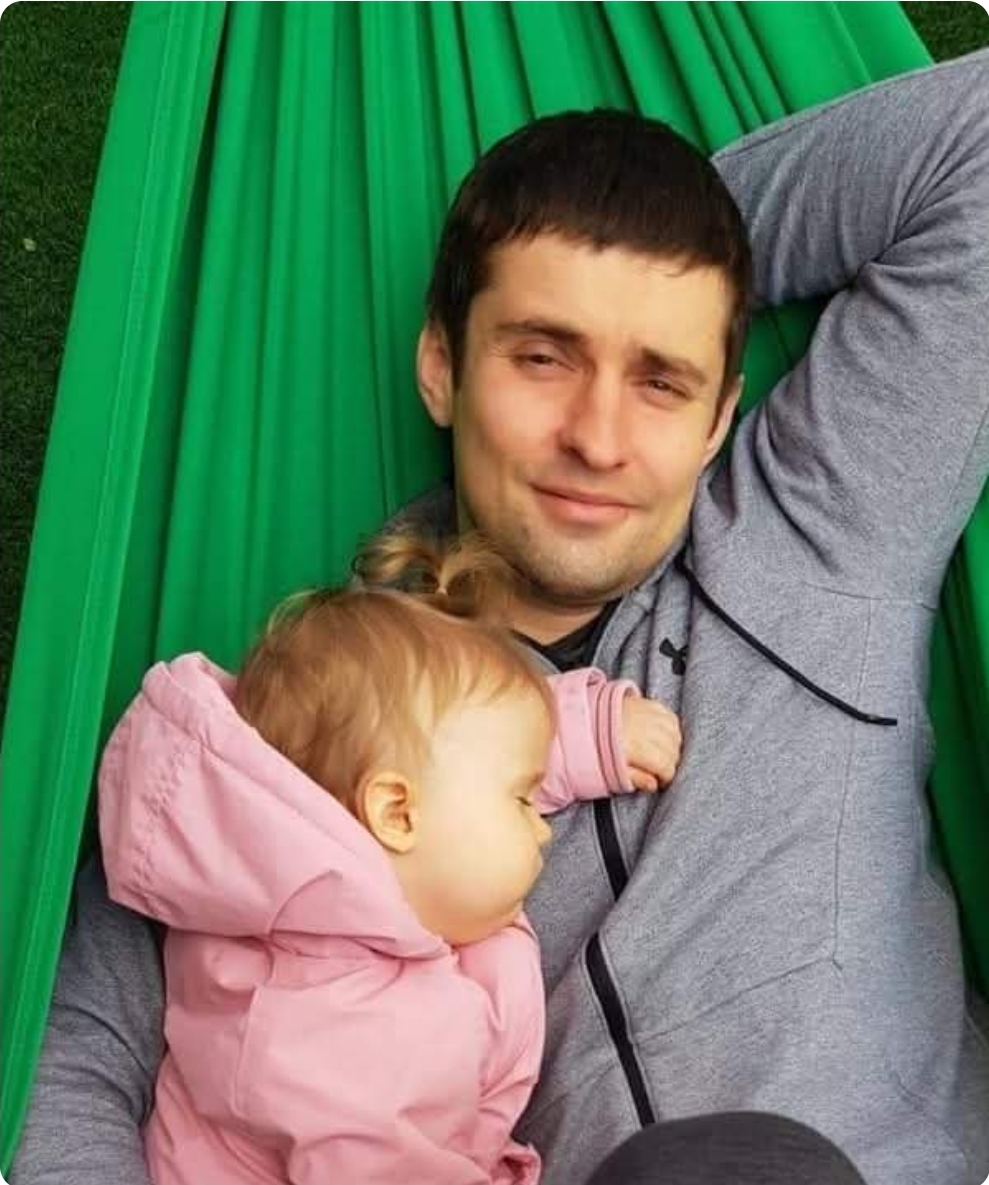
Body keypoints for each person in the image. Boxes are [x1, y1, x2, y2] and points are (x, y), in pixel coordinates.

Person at [12, 47, 989, 1185]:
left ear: (720, 414)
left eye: (661, 381)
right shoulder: (317, 709)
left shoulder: (825, 525)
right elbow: (77, 1053)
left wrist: (687, 248)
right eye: (541, 354)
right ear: (442, 366)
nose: (598, 439)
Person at [96, 533, 680, 1184]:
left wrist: (585, 732)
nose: (539, 829)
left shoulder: (323, 864)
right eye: (522, 797)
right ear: (396, 813)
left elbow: (460, 753)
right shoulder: (326, 1032)